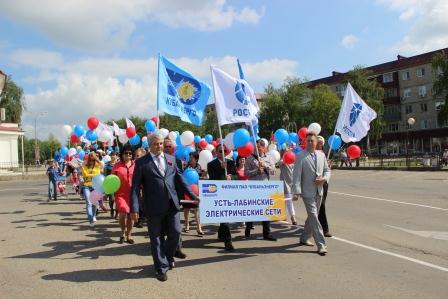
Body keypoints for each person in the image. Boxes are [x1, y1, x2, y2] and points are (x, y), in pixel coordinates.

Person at [131, 133, 199, 282]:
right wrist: (135, 209)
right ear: (150, 145)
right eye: (156, 144)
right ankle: (161, 268)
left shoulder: (171, 159)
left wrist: (193, 196)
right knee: (156, 239)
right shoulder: (142, 163)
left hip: (172, 204)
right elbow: (135, 188)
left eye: (161, 143)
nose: (159, 146)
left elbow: (181, 180)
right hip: (153, 207)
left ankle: (167, 257)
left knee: (176, 232)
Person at [292, 132, 331, 256]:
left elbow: (327, 170)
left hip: (319, 191)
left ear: (316, 143)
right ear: (305, 142)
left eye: (311, 141)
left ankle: (304, 237)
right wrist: (296, 191)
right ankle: (321, 245)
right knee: (314, 216)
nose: (309, 142)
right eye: (307, 140)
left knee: (312, 217)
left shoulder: (321, 155)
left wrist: (324, 179)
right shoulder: (300, 156)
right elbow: (296, 175)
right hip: (307, 192)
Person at [244, 139, 277, 241]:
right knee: (253, 210)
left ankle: (267, 233)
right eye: (257, 146)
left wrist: (265, 165)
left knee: (267, 210)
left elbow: (274, 171)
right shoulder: (249, 158)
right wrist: (256, 170)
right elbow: (246, 173)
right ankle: (248, 228)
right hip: (254, 188)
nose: (259, 147)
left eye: (261, 146)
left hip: (265, 188)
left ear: (264, 147)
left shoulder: (269, 157)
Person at [207, 144, 238, 251]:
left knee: (225, 217)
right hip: (218, 194)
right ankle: (228, 241)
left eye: (225, 150)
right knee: (224, 218)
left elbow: (236, 176)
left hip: (229, 193)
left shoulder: (230, 162)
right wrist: (221, 169)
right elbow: (212, 180)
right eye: (221, 151)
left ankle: (221, 233)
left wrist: (231, 177)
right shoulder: (211, 164)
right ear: (216, 152)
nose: (223, 153)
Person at [112, 144, 136, 244]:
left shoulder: (136, 165)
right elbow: (112, 180)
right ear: (122, 154)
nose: (128, 155)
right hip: (120, 194)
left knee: (131, 216)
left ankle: (128, 236)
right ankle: (122, 232)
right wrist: (111, 193)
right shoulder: (117, 165)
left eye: (130, 153)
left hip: (133, 194)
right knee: (122, 214)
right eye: (126, 153)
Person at [183, 152, 205, 236]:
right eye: (190, 157)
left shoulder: (199, 167)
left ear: (196, 159)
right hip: (187, 189)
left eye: (192, 157)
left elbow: (199, 177)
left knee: (196, 209)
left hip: (196, 189)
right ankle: (186, 224)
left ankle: (199, 228)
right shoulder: (185, 166)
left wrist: (203, 176)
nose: (190, 159)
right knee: (187, 208)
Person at [81, 152, 102, 227]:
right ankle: (90, 220)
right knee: (88, 203)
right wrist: (94, 174)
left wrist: (96, 158)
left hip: (95, 187)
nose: (92, 160)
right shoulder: (84, 166)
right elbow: (85, 175)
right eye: (90, 158)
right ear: (88, 159)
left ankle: (93, 216)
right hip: (86, 186)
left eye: (93, 159)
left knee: (95, 203)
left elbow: (101, 166)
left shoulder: (97, 165)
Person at [317, 136, 332, 237]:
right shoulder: (309, 154)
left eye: (320, 143)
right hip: (313, 183)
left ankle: (324, 229)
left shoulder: (324, 155)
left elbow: (327, 171)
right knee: (317, 206)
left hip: (323, 183)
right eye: (317, 142)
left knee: (321, 205)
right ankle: (320, 227)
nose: (318, 144)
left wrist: (328, 167)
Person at [279, 148, 297, 225]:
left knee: (285, 200)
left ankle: (283, 215)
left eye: (288, 151)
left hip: (292, 183)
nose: (288, 153)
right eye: (286, 152)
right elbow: (282, 162)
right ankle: (293, 217)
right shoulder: (281, 162)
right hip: (285, 184)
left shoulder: (293, 162)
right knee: (289, 201)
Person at [104, 151, 118, 218]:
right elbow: (105, 174)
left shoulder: (119, 164)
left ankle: (117, 212)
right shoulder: (107, 165)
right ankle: (112, 209)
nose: (113, 156)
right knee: (112, 199)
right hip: (110, 184)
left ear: (116, 156)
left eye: (114, 155)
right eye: (112, 155)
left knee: (118, 199)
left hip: (118, 183)